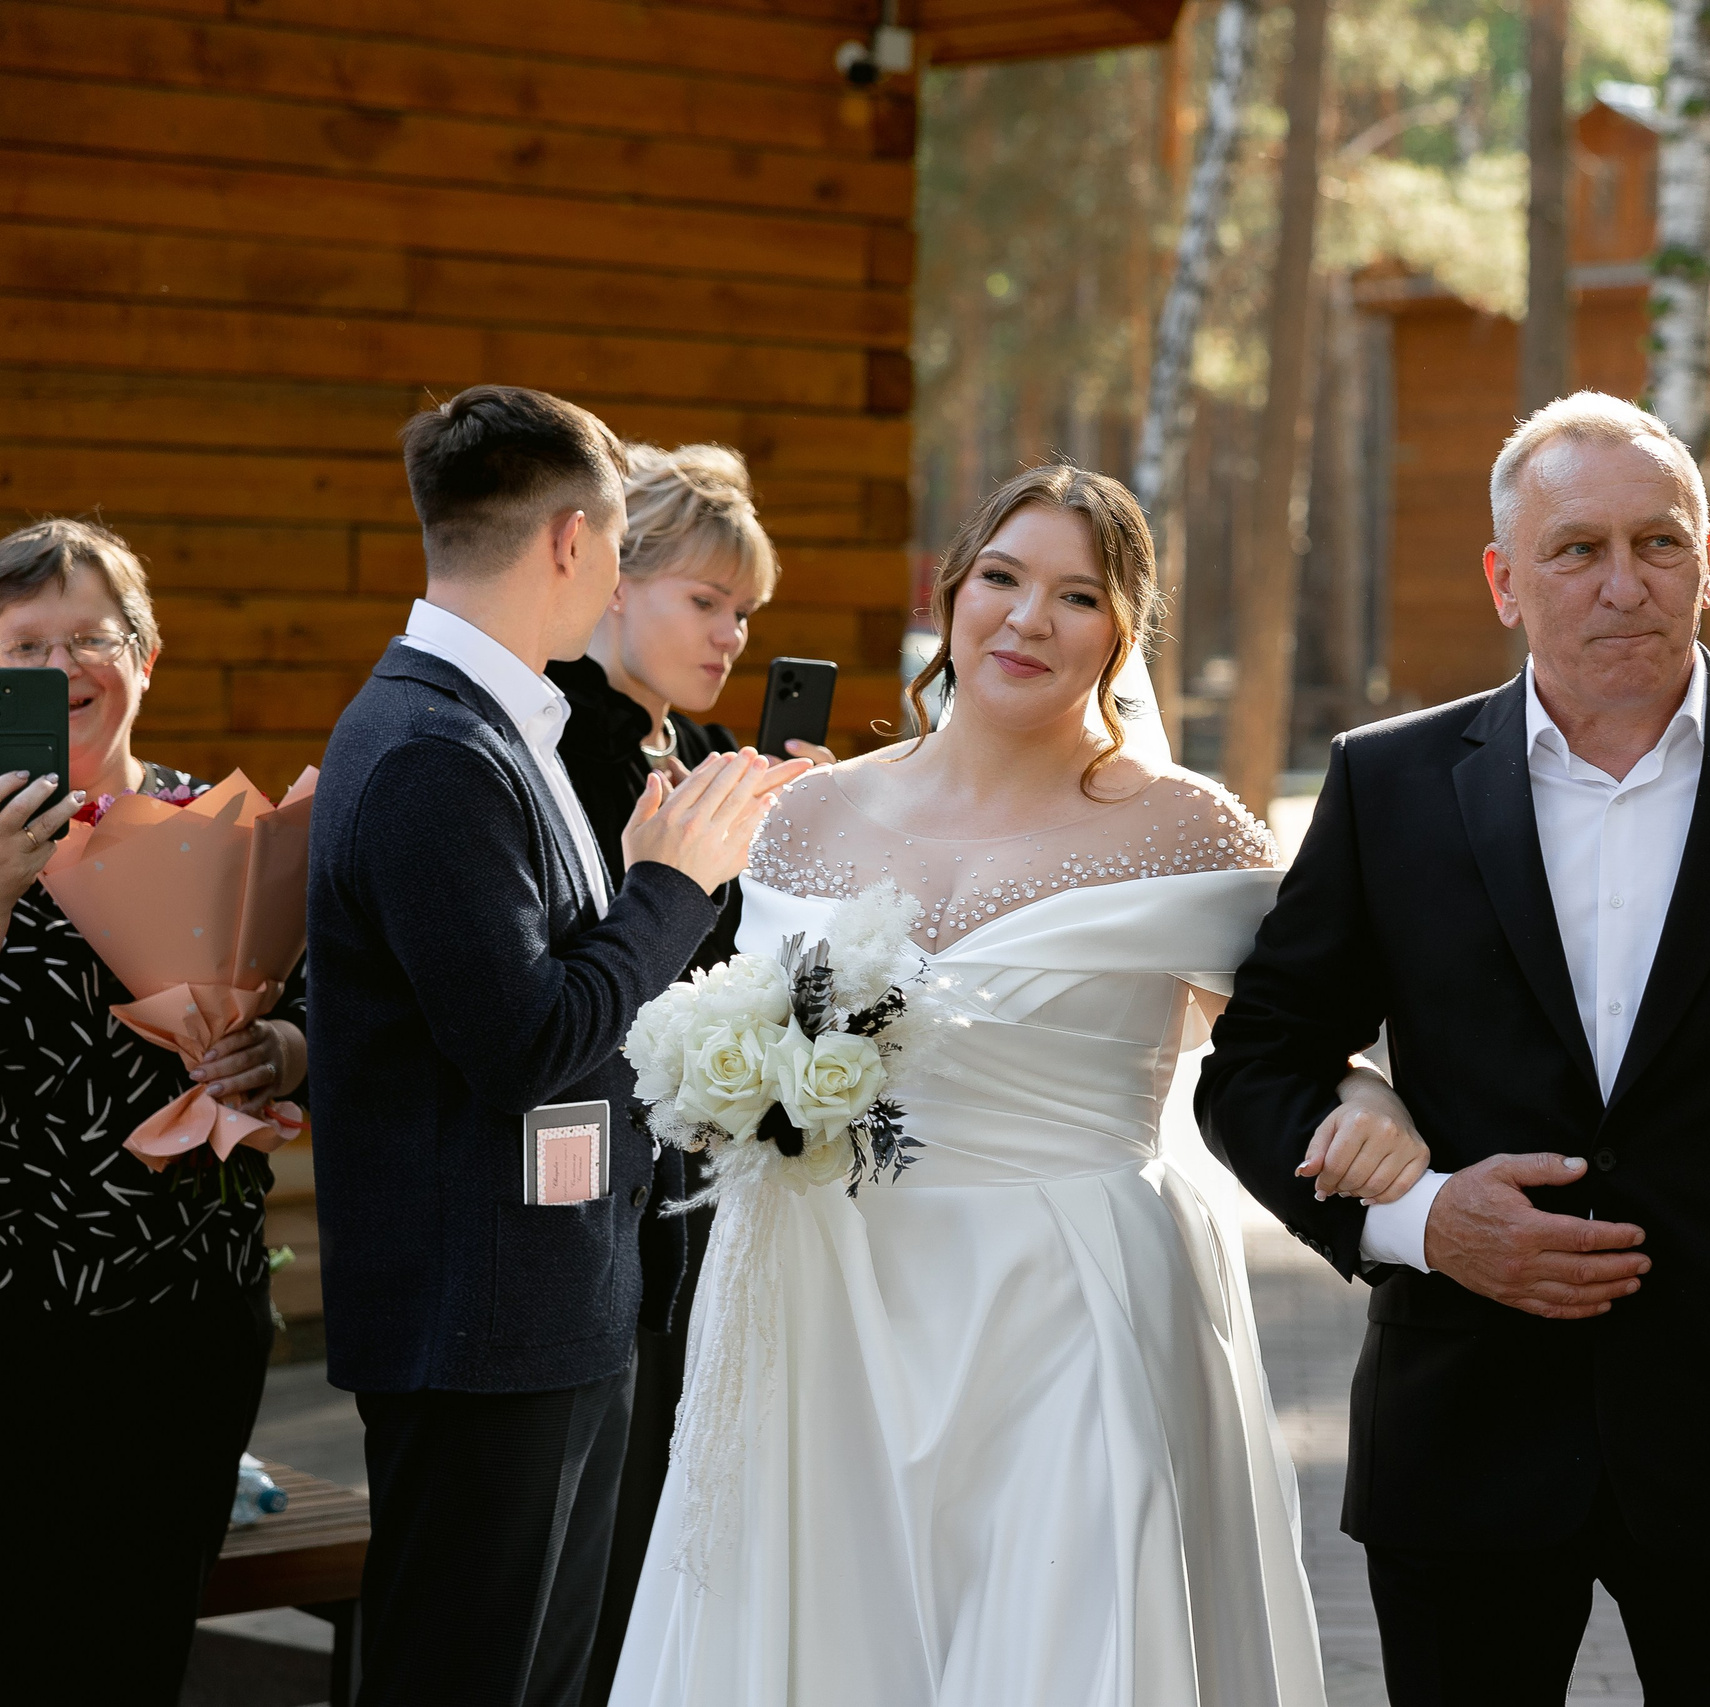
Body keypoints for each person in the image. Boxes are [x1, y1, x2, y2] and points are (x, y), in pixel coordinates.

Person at [1198, 391, 1710, 1706]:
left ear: (1707, 563)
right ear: (1505, 581)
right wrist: (1418, 1217)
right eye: (1577, 548)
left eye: (1659, 543)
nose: (1623, 581)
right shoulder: (1390, 784)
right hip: (1462, 1428)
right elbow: (1254, 1062)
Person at [609, 464, 1429, 1705]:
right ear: (950, 595)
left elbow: (1291, 1043)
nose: (1027, 619)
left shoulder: (1187, 830)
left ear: (1122, 634)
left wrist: (1367, 1102)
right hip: (821, 1303)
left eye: (1077, 596)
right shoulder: (805, 813)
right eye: (1000, 578)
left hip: (1067, 1302)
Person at [306, 385, 805, 1707]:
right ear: (578, 543)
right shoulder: (432, 749)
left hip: (546, 1295)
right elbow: (526, 1041)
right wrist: (672, 885)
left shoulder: (481, 722)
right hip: (478, 1313)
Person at [0, 518, 308, 1703]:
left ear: (149, 655)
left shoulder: (218, 822)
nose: (64, 666)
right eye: (25, 644)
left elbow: (321, 1010)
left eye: (94, 636)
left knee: (133, 1644)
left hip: (184, 1316)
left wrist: (282, 1050)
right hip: (14, 1318)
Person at [541, 440, 818, 1704]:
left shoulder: (713, 751)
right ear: (615, 581)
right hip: (582, 1190)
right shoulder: (555, 746)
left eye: (745, 612)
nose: (730, 635)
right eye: (705, 602)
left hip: (714, 1198)